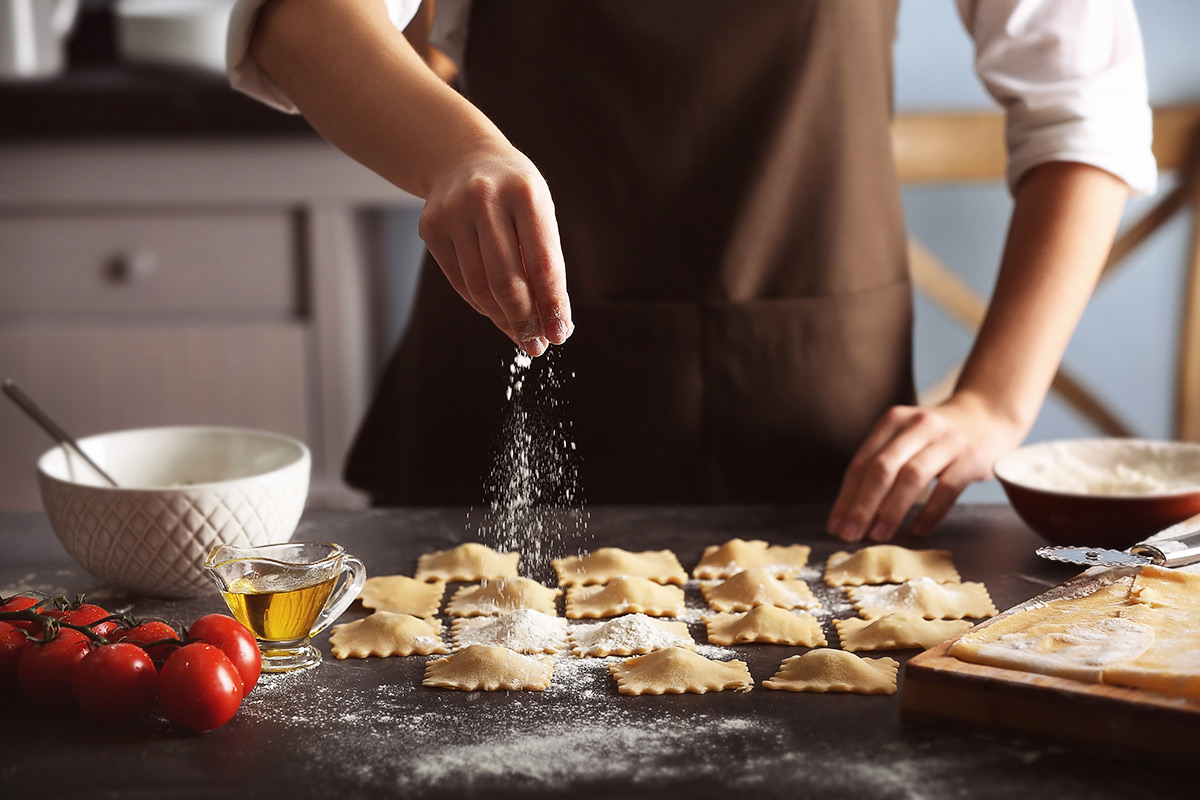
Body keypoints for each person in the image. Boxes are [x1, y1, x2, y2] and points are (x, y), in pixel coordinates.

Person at [227, 0, 1155, 541]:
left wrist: (995, 399)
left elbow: (1086, 104)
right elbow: (299, 20)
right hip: (496, 406)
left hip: (821, 436)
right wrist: (456, 155)